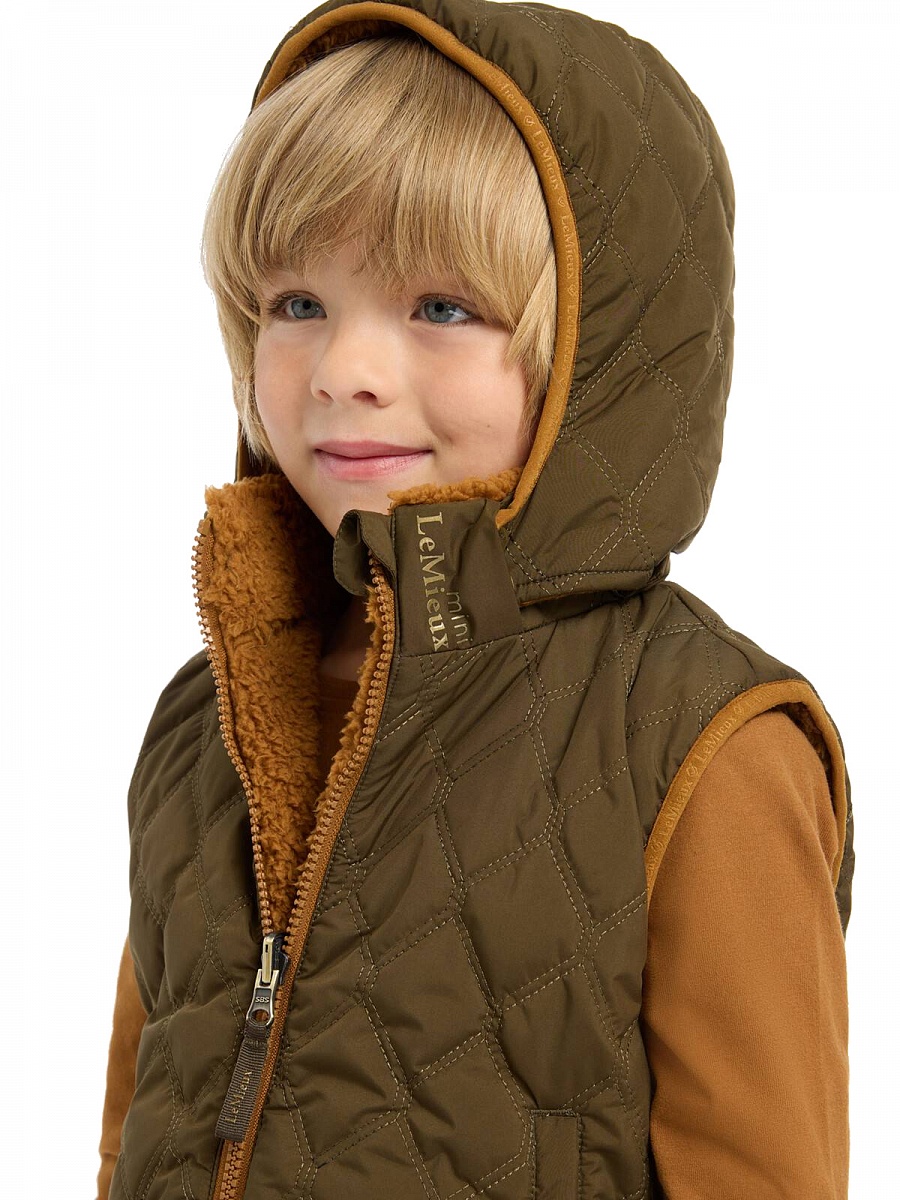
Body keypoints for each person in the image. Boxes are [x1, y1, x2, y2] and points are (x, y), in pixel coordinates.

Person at [96, 1, 854, 1197]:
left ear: (599, 356)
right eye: (296, 304)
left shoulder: (699, 742)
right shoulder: (212, 717)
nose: (344, 370)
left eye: (441, 308)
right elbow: (142, 1120)